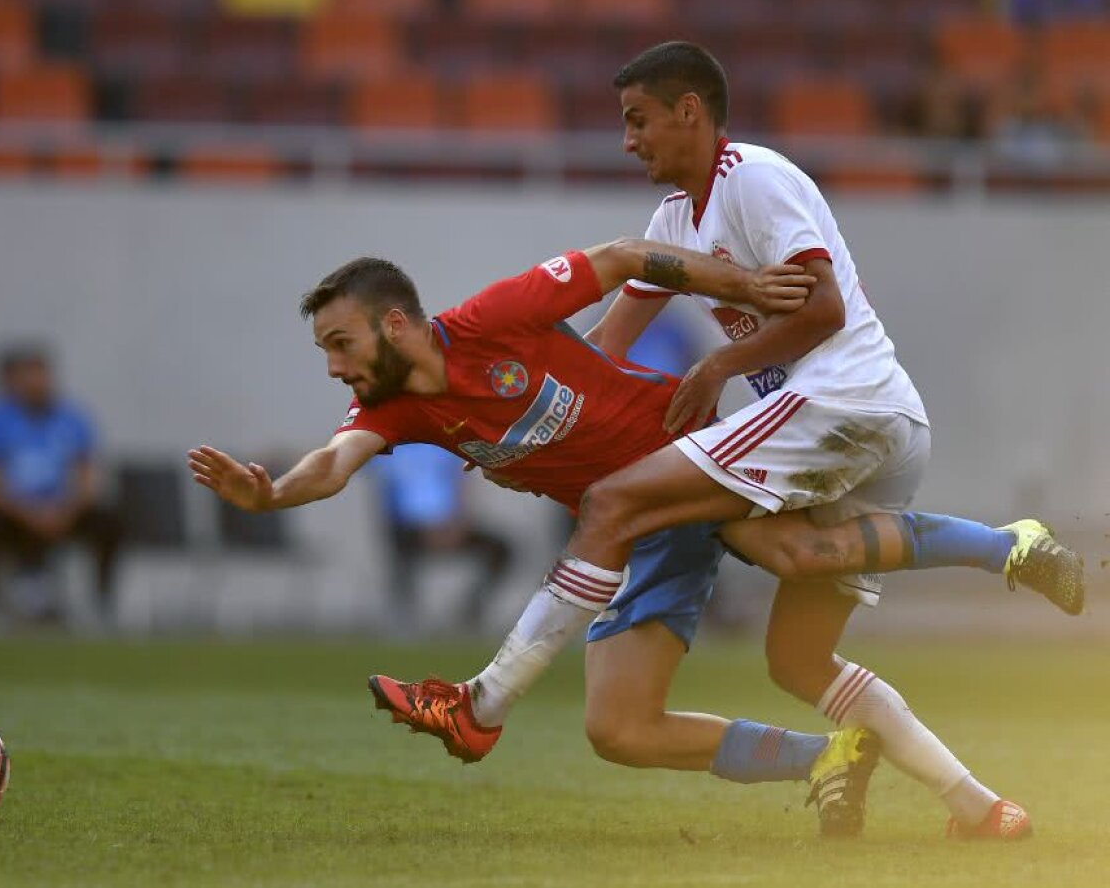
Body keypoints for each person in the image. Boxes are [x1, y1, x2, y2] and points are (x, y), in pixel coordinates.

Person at [188, 239, 1076, 837]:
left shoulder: (494, 318)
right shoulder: (396, 406)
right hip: (630, 524)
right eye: (326, 353)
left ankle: (1007, 545)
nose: (336, 365)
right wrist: (269, 497)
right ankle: (832, 754)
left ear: (393, 323)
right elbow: (334, 462)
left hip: (685, 456)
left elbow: (618, 259)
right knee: (619, 726)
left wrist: (744, 288)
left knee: (798, 553)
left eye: (339, 343)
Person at [518, 42, 1078, 839]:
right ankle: (979, 807)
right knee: (797, 658)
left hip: (841, 403)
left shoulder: (753, 177)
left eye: (638, 120)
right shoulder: (673, 220)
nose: (628, 140)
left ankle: (493, 690)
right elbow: (603, 346)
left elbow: (823, 311)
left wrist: (720, 364)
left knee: (622, 496)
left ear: (690, 112)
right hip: (856, 433)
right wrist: (518, 399)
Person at [0, 344, 123, 624]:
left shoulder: (72, 417)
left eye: (42, 374)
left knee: (110, 521)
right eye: (29, 375)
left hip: (61, 508)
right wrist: (26, 511)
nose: (37, 383)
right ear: (14, 380)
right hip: (12, 508)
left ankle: (101, 604)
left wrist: (65, 510)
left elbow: (88, 474)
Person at [368, 443, 512, 632]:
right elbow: (390, 491)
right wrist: (425, 525)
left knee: (502, 549)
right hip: (408, 527)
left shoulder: (443, 446)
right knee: (401, 553)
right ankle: (405, 621)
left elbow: (460, 482)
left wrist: (456, 522)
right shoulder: (389, 449)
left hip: (450, 525)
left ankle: (470, 610)